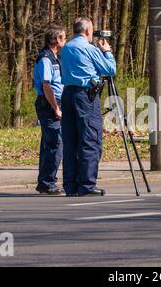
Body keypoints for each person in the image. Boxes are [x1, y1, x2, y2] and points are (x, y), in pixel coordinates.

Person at [60, 17, 116, 197]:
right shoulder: (89, 48)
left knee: (70, 141)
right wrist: (107, 52)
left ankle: (70, 185)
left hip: (67, 94)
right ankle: (87, 185)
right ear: (88, 31)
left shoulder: (66, 48)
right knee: (90, 140)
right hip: (86, 96)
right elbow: (110, 69)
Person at [33, 24, 67, 195]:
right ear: (55, 40)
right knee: (55, 143)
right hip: (49, 105)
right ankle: (48, 182)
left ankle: (44, 182)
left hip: (57, 103)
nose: (65, 41)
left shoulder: (57, 57)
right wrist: (56, 108)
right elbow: (47, 86)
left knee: (50, 144)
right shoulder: (45, 58)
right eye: (63, 37)